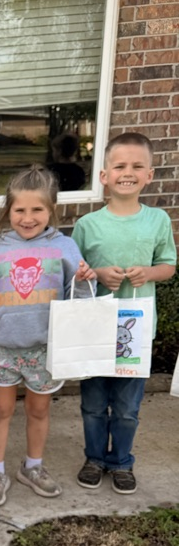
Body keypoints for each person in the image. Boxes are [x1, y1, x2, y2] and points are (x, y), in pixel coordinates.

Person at [0, 166, 95, 507]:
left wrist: (84, 282)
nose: (28, 217)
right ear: (8, 209)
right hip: (2, 347)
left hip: (45, 348)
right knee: (0, 409)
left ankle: (32, 467)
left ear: (52, 209)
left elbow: (78, 300)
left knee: (38, 409)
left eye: (37, 209)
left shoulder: (65, 247)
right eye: (19, 209)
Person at [73, 132, 176, 494]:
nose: (127, 173)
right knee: (93, 404)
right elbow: (75, 272)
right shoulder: (87, 225)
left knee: (127, 407)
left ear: (149, 175)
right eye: (119, 166)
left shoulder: (158, 220)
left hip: (136, 332)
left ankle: (121, 461)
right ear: (104, 175)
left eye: (136, 166)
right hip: (94, 329)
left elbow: (168, 265)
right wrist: (98, 273)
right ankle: (94, 458)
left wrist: (148, 272)